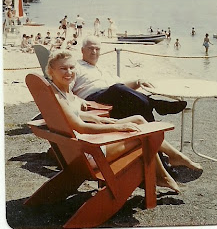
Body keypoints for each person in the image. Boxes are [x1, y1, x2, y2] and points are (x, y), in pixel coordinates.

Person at [46, 50, 202, 192]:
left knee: (139, 120)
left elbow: (75, 115)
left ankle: (175, 158)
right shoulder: (58, 97)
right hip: (88, 153)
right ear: (51, 71)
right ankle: (163, 175)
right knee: (144, 135)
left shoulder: (61, 92)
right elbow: (81, 127)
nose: (69, 72)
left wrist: (106, 120)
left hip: (78, 147)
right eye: (63, 69)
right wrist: (119, 128)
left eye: (72, 68)